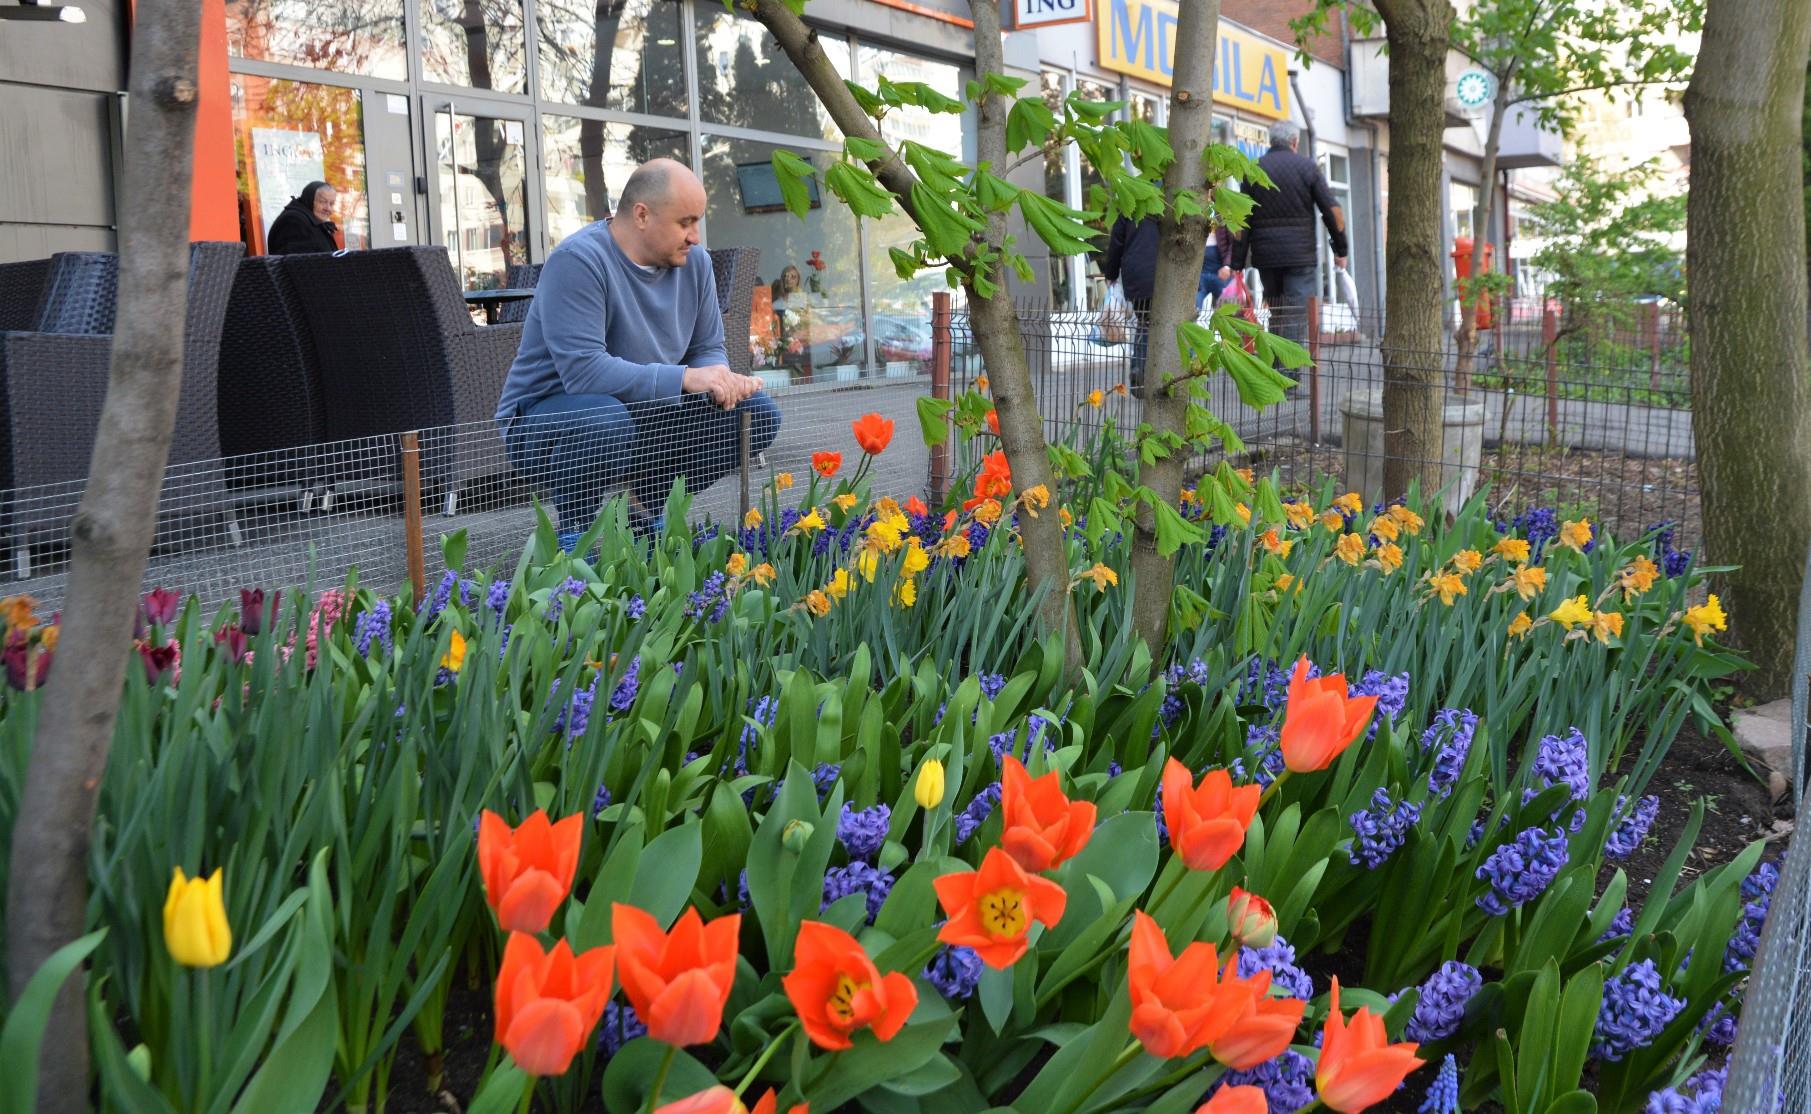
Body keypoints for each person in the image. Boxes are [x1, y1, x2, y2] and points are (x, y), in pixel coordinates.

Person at [494, 158, 779, 549]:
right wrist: (686, 378)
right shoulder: (578, 261)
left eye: (698, 222)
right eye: (685, 222)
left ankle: (644, 508)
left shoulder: (695, 264)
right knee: (603, 419)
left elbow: (706, 347)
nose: (695, 237)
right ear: (642, 215)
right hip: (547, 421)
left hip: (642, 412)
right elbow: (584, 373)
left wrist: (719, 380)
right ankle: (575, 536)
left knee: (757, 413)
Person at [1228, 120, 1348, 351]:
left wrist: (1237, 263)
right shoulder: (1307, 168)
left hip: (1267, 258)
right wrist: (1340, 250)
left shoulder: (1254, 170)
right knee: (1294, 314)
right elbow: (1332, 211)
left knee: (1277, 311)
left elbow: (1242, 220)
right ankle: (1288, 370)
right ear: (1294, 142)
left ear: (1271, 141)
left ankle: (1276, 367)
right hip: (1299, 257)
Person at [1100, 213, 1159, 390]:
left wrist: (1110, 274)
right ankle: (1147, 371)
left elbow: (1116, 242)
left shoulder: (1129, 208)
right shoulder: (1169, 204)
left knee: (1144, 322)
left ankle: (1138, 369)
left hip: (1137, 273)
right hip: (1163, 272)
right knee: (1164, 324)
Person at [266, 181, 341, 255]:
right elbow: (297, 260)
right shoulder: (293, 221)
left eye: (331, 204)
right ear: (309, 199)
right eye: (322, 202)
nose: (328, 208)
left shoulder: (311, 221)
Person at [1196, 221, 1235, 311]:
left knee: (1226, 309)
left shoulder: (1224, 216)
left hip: (1221, 270)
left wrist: (1227, 266)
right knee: (1195, 306)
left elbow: (1234, 243)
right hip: (1200, 271)